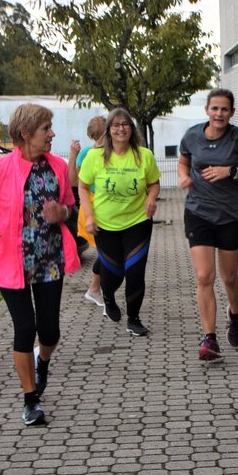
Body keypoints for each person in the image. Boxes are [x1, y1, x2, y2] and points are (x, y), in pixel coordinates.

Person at [0, 104, 81, 426]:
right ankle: (31, 399)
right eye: (46, 128)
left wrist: (63, 214)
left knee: (50, 330)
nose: (52, 134)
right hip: (10, 262)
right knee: (24, 327)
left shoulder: (56, 167)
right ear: (26, 133)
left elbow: (70, 206)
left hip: (48, 261)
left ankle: (43, 362)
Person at [178, 89, 238, 362]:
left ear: (231, 113)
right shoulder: (192, 135)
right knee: (205, 276)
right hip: (198, 213)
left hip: (231, 216)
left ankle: (234, 313)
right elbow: (183, 162)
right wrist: (183, 177)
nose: (219, 114)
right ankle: (209, 339)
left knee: (229, 277)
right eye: (215, 108)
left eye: (224, 110)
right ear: (207, 110)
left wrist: (231, 171)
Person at [78, 109, 161, 337]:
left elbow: (154, 183)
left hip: (138, 222)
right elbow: (83, 186)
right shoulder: (95, 157)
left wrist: (152, 198)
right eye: (116, 125)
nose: (121, 128)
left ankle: (133, 319)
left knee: (135, 273)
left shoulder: (144, 155)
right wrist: (90, 216)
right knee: (112, 273)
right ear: (109, 130)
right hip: (105, 225)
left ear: (131, 129)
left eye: (125, 124)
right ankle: (107, 296)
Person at [69, 115, 107, 308]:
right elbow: (75, 182)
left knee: (106, 251)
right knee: (105, 251)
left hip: (93, 205)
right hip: (94, 206)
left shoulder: (84, 152)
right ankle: (94, 289)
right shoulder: (90, 153)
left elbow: (73, 181)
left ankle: (97, 289)